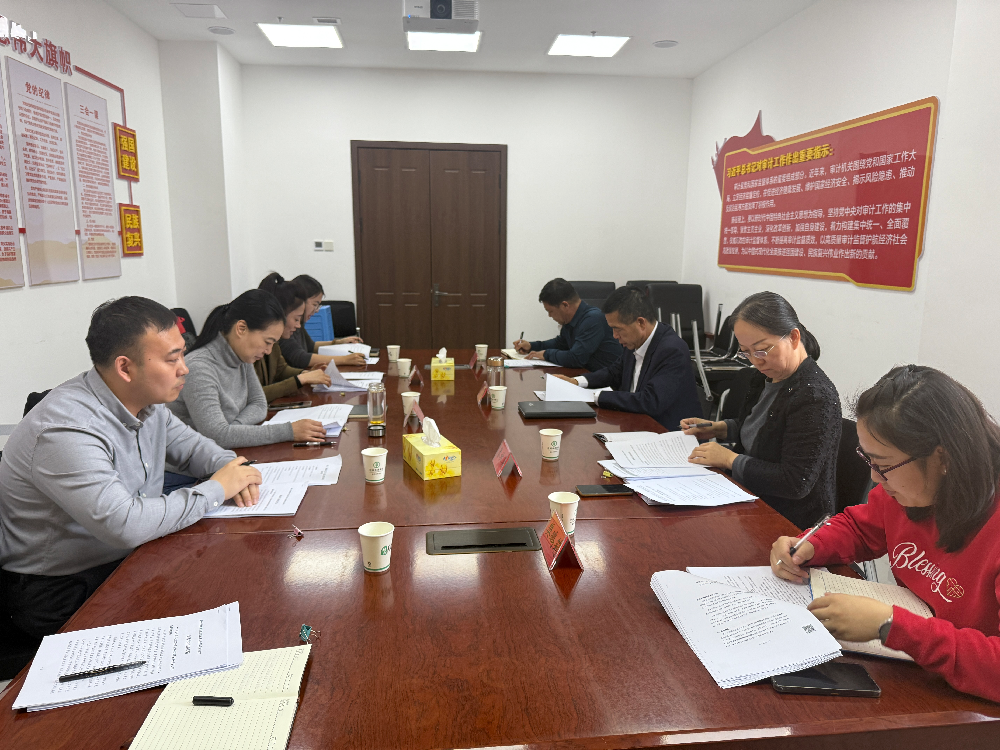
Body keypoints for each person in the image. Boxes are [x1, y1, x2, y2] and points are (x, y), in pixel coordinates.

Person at [0, 297, 262, 638]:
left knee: (237, 594)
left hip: (128, 558)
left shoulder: (147, 404)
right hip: (62, 590)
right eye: (172, 359)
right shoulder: (65, 429)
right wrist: (218, 488)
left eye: (183, 354)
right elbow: (125, 524)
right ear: (125, 368)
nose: (184, 368)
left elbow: (195, 449)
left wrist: (234, 468)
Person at [770, 365, 1000, 703]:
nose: (875, 479)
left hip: (973, 698)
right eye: (868, 461)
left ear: (943, 458)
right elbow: (861, 528)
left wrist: (892, 625)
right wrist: (811, 545)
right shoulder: (910, 492)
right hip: (923, 669)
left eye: (884, 465)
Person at [681, 292, 840, 529]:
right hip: (748, 498)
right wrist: (718, 428)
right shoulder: (765, 376)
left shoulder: (814, 396)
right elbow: (762, 428)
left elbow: (795, 482)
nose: (756, 361)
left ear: (793, 337)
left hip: (790, 521)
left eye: (762, 349)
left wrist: (730, 459)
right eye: (746, 352)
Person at [168, 289, 328, 448]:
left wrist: (233, 429)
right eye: (267, 342)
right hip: (195, 461)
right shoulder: (198, 368)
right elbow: (217, 436)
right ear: (241, 328)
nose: (269, 351)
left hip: (225, 452)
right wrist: (288, 431)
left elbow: (259, 404)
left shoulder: (242, 357)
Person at [552, 286, 700, 429]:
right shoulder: (634, 341)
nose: (615, 336)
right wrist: (576, 382)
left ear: (640, 323)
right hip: (635, 424)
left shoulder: (672, 350)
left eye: (617, 329)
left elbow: (650, 401)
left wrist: (594, 397)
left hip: (666, 432)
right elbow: (613, 372)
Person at [512, 278, 622, 371]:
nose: (549, 316)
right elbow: (560, 343)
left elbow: (576, 358)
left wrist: (546, 354)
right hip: (585, 375)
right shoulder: (571, 320)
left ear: (565, 305)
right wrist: (532, 346)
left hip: (606, 383)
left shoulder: (593, 319)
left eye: (550, 311)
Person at [255, 274, 332, 402]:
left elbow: (281, 370)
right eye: (296, 319)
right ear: (280, 314)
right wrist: (300, 380)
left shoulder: (274, 343)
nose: (298, 325)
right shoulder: (251, 346)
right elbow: (254, 395)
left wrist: (304, 374)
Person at [281, 274, 365, 369]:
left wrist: (338, 342)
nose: (317, 310)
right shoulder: (286, 327)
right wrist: (344, 359)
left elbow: (310, 346)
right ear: (301, 302)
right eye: (315, 304)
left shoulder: (299, 323)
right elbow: (301, 358)